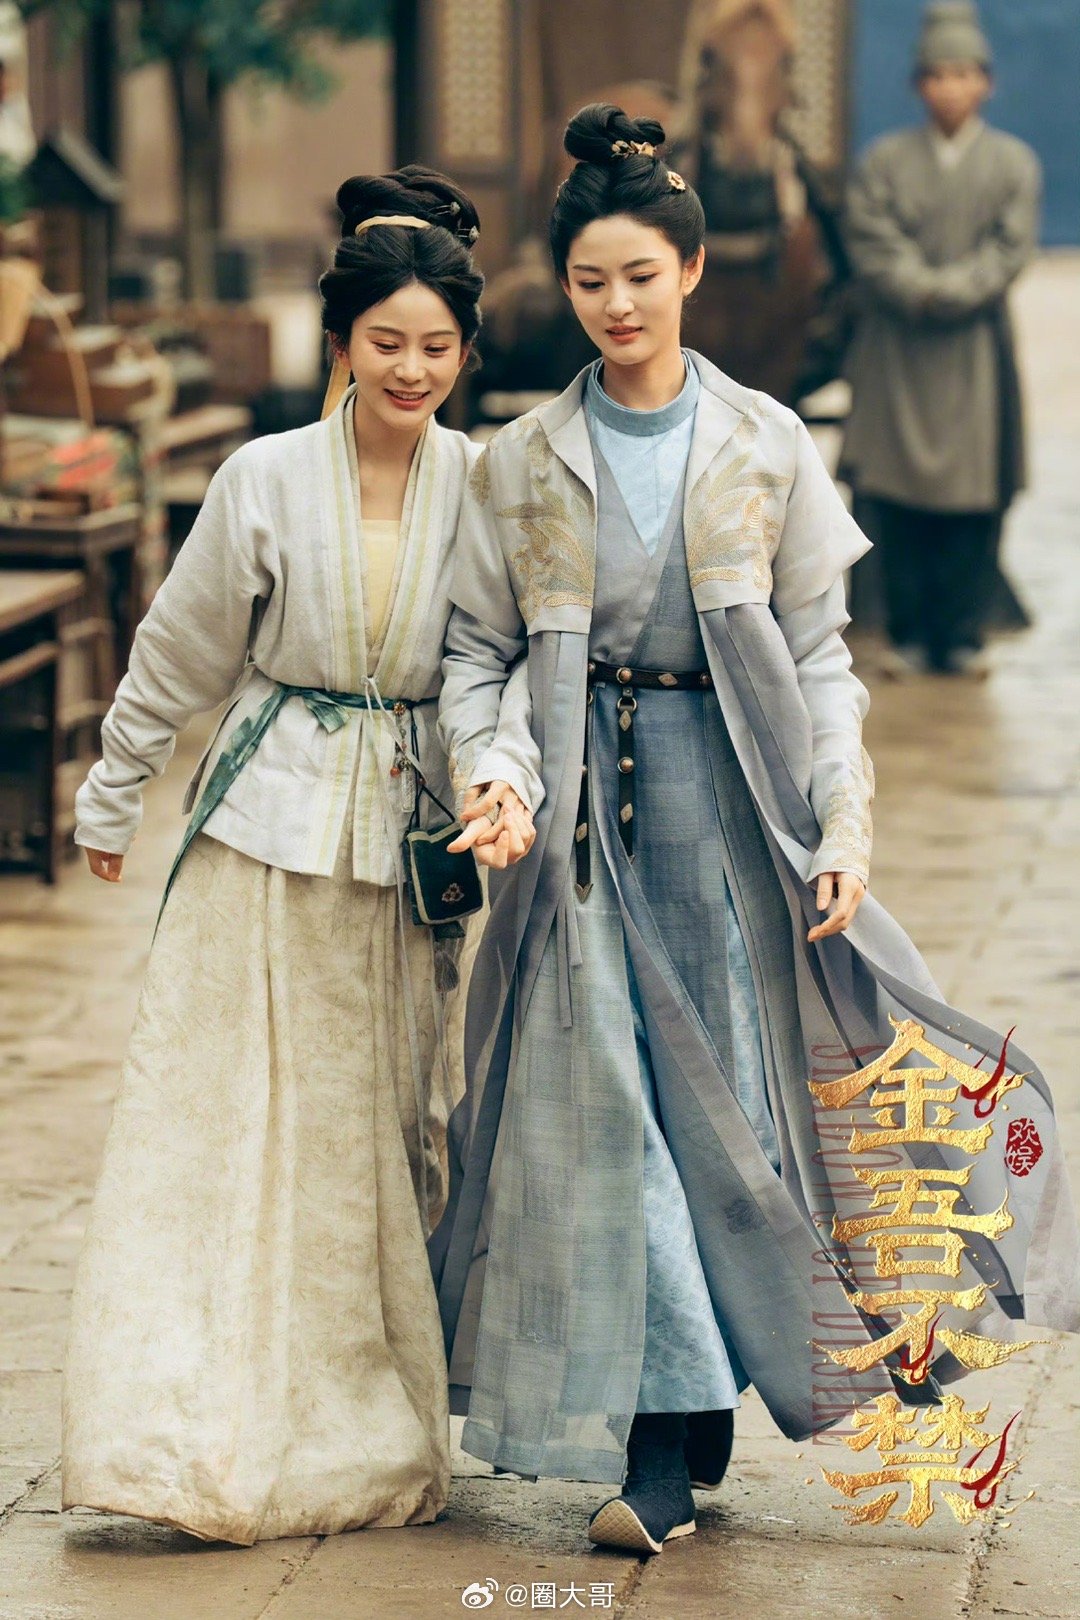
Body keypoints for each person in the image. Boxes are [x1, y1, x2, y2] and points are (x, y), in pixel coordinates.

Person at [430, 103, 1079, 1556]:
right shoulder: (520, 459)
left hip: (729, 818)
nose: (616, 306)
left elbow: (821, 656)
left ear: (692, 269)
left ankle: (709, 1391)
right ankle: (661, 1446)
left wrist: (841, 820)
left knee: (727, 1119)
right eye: (589, 281)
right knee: (607, 1115)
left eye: (640, 276)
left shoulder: (763, 442)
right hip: (578, 830)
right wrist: (496, 773)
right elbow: (479, 652)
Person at [61, 166, 539, 1545]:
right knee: (234, 1126)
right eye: (386, 342)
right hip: (264, 840)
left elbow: (494, 669)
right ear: (341, 343)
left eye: (437, 346)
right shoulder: (262, 479)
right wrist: (114, 794)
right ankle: (189, 1432)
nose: (411, 370)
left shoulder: (486, 487)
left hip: (406, 849)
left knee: (374, 1136)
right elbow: (179, 652)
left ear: (466, 353)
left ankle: (354, 1421)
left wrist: (500, 778)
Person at [841, 0, 1041, 678]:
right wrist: (917, 288)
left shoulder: (1013, 164)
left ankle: (961, 634)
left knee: (973, 495)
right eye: (937, 75)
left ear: (985, 82)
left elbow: (1010, 249)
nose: (950, 87)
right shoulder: (883, 161)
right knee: (894, 494)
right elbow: (871, 241)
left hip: (973, 351)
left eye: (962, 74)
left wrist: (947, 292)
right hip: (895, 350)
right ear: (918, 86)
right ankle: (902, 631)